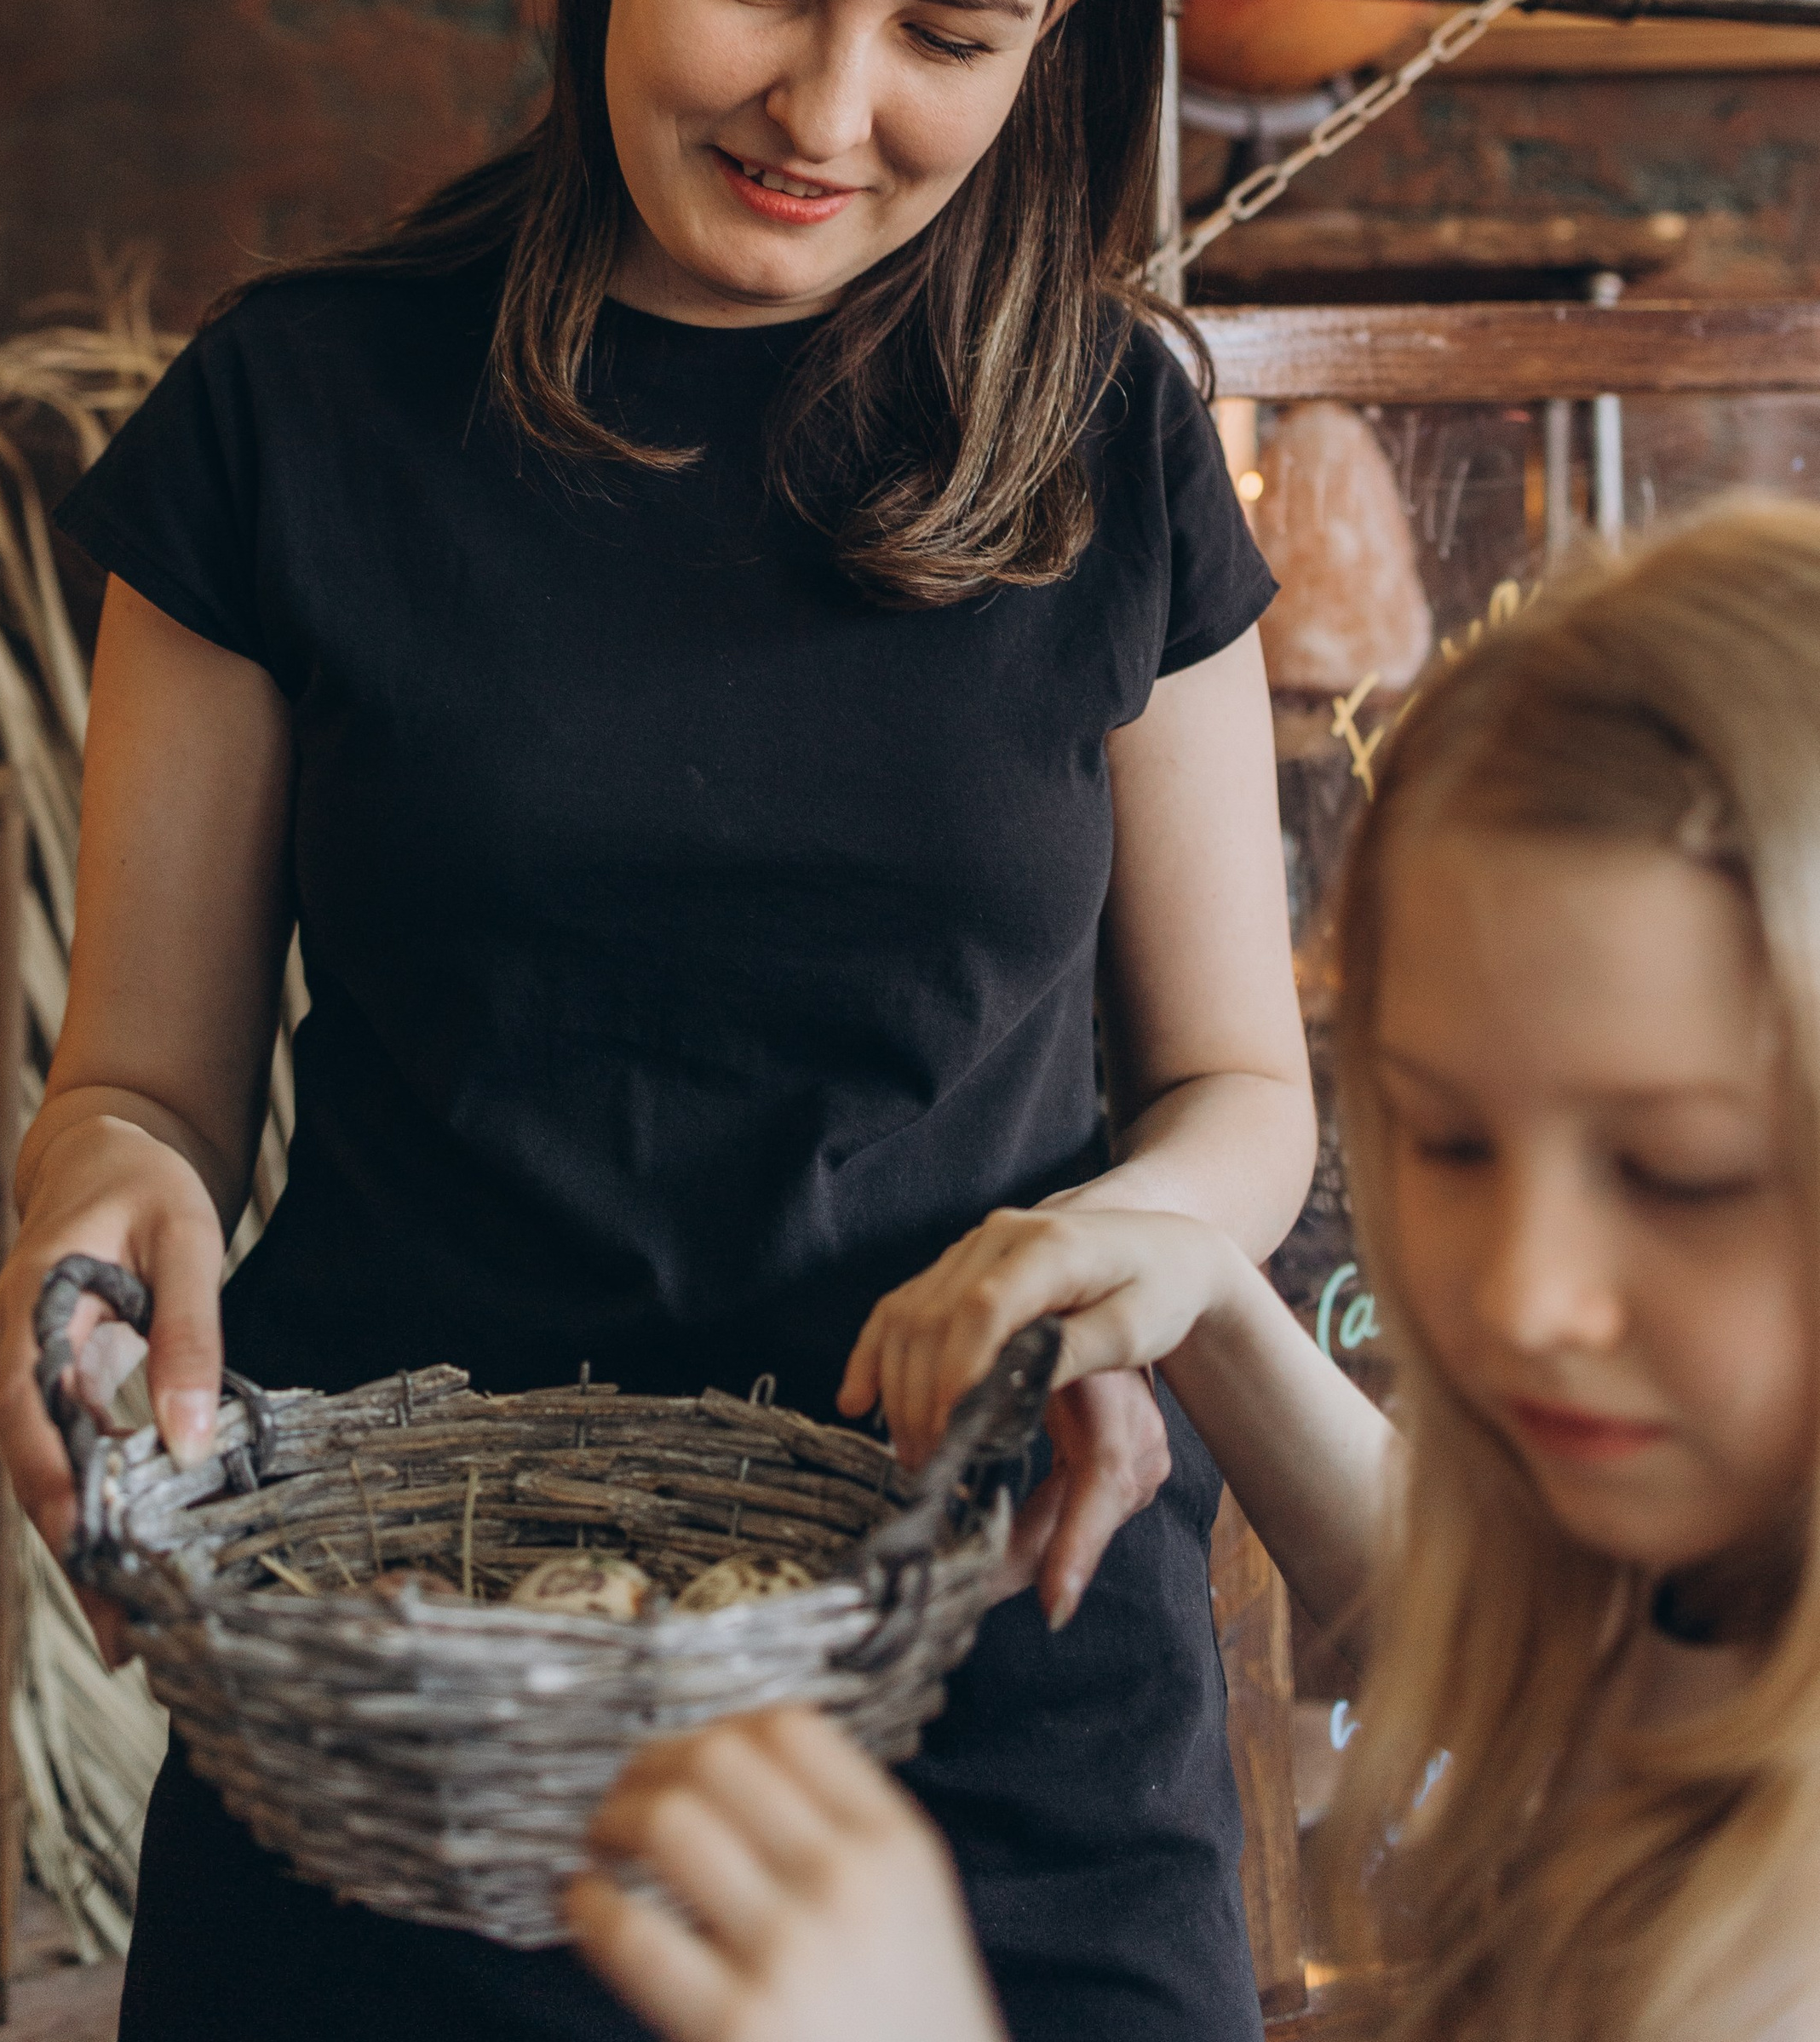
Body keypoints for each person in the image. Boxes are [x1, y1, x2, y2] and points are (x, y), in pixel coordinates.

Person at [0, 0, 1317, 2041]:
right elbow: (138, 1084)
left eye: (947, 32)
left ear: (1061, 19)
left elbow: (1236, 1092)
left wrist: (1117, 1251)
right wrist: (95, 1203)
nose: (828, 111)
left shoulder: (1112, 432)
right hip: (410, 1691)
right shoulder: (293, 414)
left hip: (989, 1656)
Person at [602, 506, 1820, 2042]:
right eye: (1447, 1143)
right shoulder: (1714, 1605)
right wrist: (1207, 1296)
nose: (1524, 1295)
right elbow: (1511, 1652)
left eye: (1680, 1174)